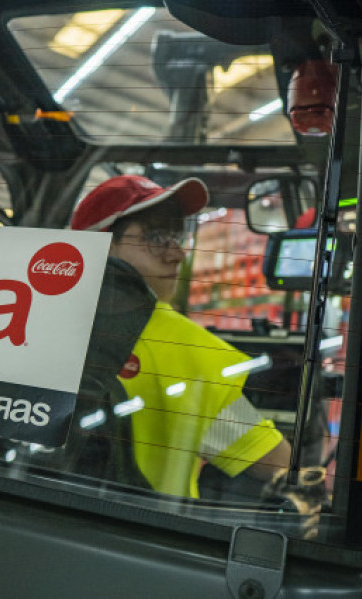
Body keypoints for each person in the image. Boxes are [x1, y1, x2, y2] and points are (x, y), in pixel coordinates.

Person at [70, 174, 291, 498]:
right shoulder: (184, 344)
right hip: (146, 538)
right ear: (103, 243)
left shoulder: (17, 319)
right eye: (156, 236)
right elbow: (281, 467)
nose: (177, 253)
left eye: (177, 234)